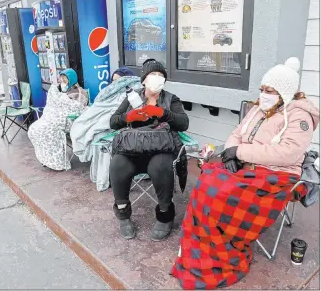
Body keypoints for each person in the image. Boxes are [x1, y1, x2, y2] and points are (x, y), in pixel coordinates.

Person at [172, 57, 320, 289]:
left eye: (269, 90)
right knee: (207, 182)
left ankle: (223, 252)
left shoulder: (300, 116)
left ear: (284, 92)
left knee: (220, 193)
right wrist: (231, 152)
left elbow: (286, 154)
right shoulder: (258, 109)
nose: (263, 94)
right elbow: (237, 133)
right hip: (248, 164)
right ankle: (201, 245)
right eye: (262, 89)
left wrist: (239, 152)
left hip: (277, 174)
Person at [109, 59, 189, 241]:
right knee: (118, 164)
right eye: (154, 75)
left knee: (161, 165)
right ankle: (123, 215)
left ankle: (164, 216)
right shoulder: (132, 97)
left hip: (160, 150)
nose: (157, 78)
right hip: (132, 149)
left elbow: (183, 123)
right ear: (144, 79)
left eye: (161, 76)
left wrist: (162, 113)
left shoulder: (170, 99)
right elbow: (113, 122)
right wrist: (128, 116)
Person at [70, 66, 138, 192]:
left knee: (102, 140)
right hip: (111, 124)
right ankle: (102, 176)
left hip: (124, 127)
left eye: (119, 80)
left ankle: (107, 177)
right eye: (113, 80)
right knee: (96, 136)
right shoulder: (110, 92)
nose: (115, 83)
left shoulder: (133, 93)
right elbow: (100, 106)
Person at [28, 68, 88, 171]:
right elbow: (55, 104)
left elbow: (77, 108)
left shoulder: (80, 92)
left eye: (65, 81)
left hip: (69, 121)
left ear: (71, 79)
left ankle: (59, 163)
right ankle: (48, 159)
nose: (62, 83)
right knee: (35, 129)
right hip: (54, 117)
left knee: (47, 130)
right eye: (61, 81)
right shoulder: (64, 91)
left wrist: (61, 100)